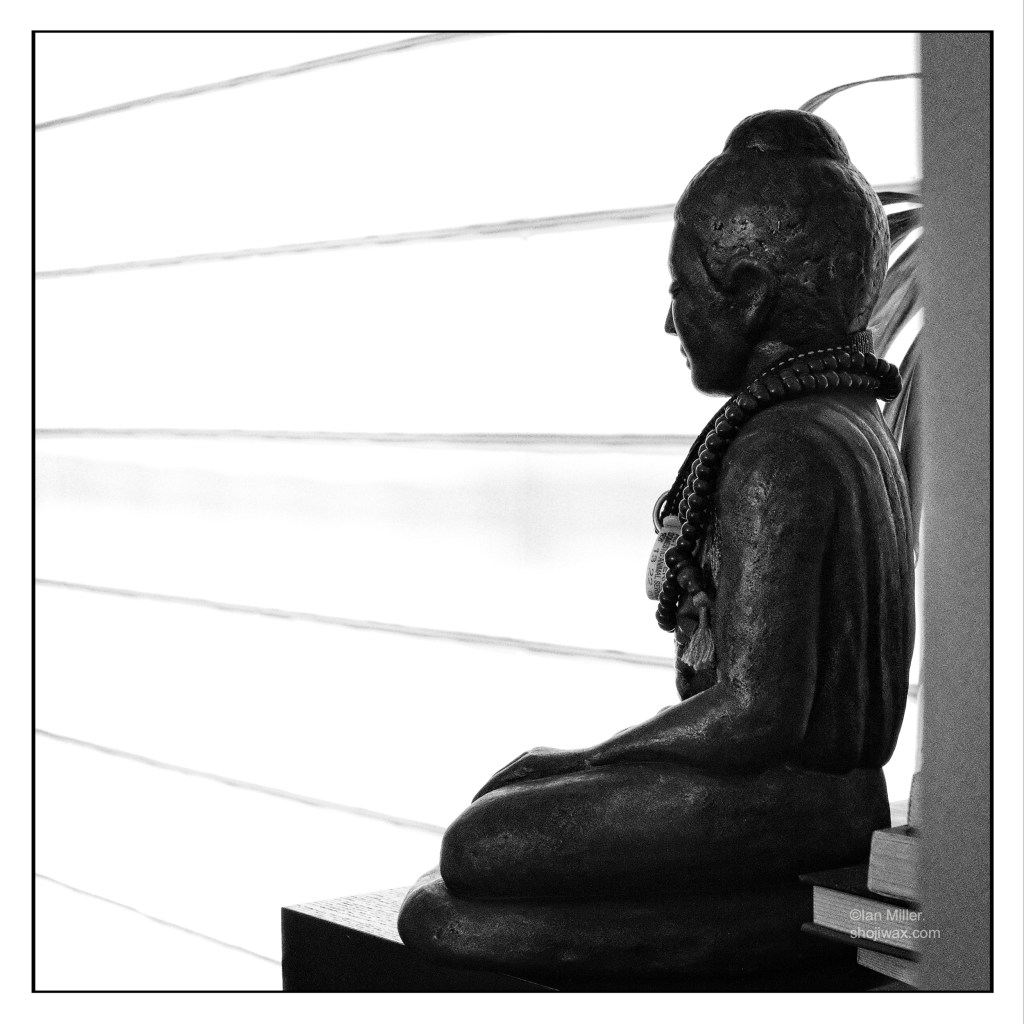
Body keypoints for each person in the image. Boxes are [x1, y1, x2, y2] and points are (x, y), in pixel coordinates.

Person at [397, 109, 915, 979]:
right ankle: (758, 920)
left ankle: (754, 927)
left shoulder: (781, 449)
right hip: (831, 801)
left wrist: (583, 759)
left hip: (788, 804)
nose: (670, 325)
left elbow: (753, 714)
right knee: (467, 873)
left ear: (747, 294)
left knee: (478, 850)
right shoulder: (850, 418)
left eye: (681, 290)